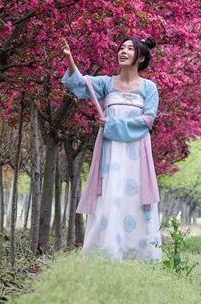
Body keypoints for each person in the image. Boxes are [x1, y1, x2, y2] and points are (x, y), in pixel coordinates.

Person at [61, 37, 162, 261]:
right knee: (109, 195)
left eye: (129, 49)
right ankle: (107, 252)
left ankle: (137, 254)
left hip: (136, 156)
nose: (123, 52)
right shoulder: (106, 83)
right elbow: (79, 83)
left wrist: (112, 124)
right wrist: (69, 58)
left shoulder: (149, 88)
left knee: (134, 198)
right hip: (110, 153)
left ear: (141, 57)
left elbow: (147, 121)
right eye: (121, 48)